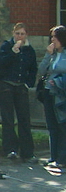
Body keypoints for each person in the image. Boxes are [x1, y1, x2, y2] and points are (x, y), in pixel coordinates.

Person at [0, 22, 37, 161]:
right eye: (17, 33)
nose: (20, 36)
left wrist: (28, 83)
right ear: (13, 34)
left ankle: (27, 152)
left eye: (22, 34)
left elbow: (33, 68)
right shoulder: (6, 46)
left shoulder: (29, 50)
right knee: (8, 118)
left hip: (21, 86)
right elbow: (0, 63)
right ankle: (10, 149)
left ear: (26, 35)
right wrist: (13, 52)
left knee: (24, 119)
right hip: (6, 85)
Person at [38, 26, 66, 172]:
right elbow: (42, 70)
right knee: (52, 125)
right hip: (49, 92)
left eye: (55, 36)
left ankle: (62, 158)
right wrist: (47, 55)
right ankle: (53, 156)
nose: (52, 39)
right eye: (51, 36)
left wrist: (59, 81)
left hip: (61, 94)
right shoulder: (52, 54)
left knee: (62, 125)